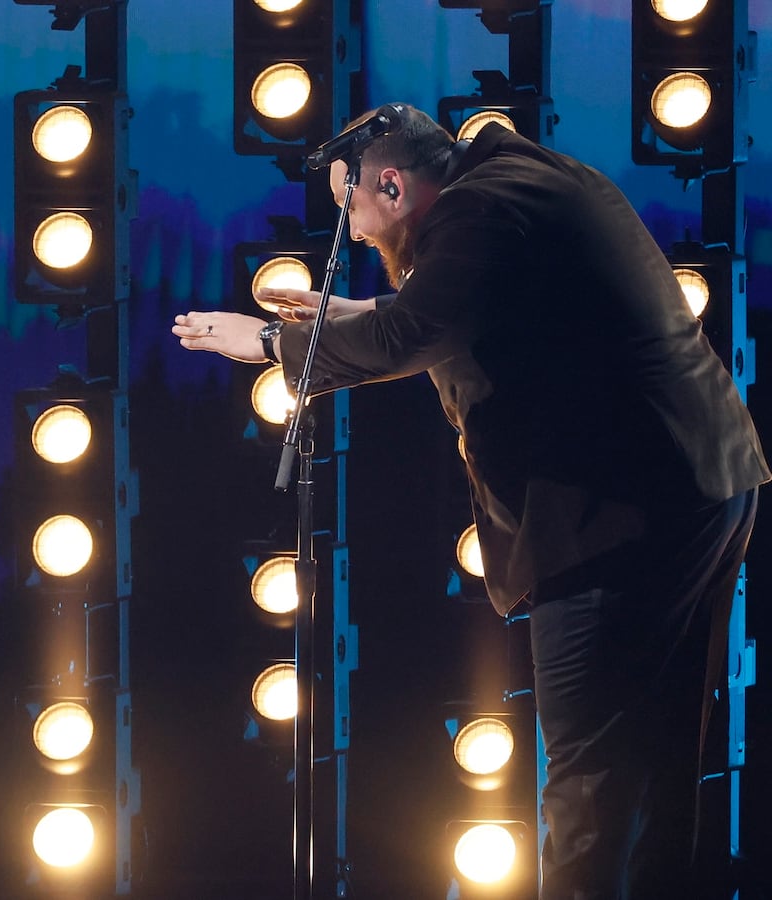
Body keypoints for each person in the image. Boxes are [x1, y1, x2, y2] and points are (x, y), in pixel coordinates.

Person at [173, 104, 766, 898]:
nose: (354, 234)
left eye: (351, 207)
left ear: (391, 184)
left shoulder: (481, 207)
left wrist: (270, 344)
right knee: (654, 767)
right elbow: (462, 308)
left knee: (592, 783)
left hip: (618, 515)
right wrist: (353, 316)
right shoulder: (513, 183)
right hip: (691, 487)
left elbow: (414, 333)